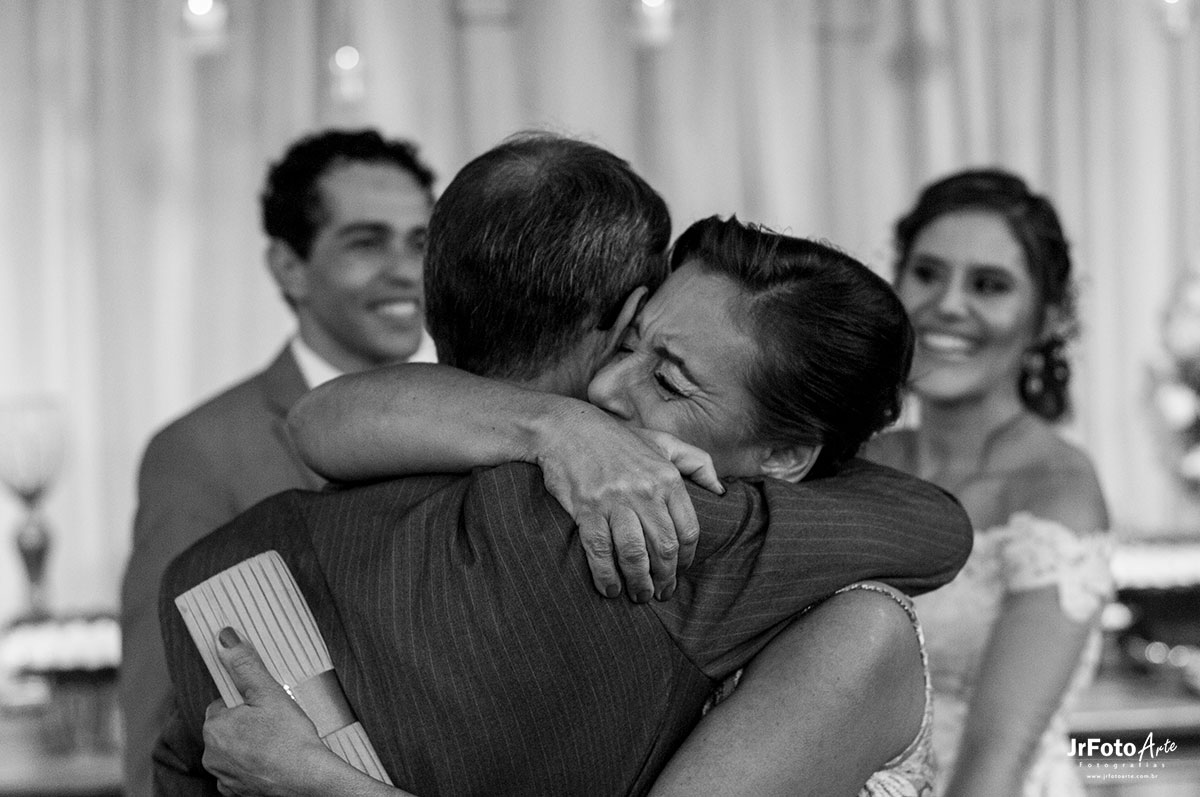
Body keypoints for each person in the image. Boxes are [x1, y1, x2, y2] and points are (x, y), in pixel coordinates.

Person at [155, 133, 971, 796]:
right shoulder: (652, 533)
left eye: (665, 375)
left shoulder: (224, 561)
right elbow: (935, 524)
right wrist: (553, 425)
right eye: (629, 346)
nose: (613, 390)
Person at [119, 128, 438, 797]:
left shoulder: (468, 424)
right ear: (289, 267)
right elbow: (157, 720)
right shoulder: (199, 451)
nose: (406, 269)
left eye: (420, 241)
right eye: (366, 241)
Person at [865, 168, 1112, 796]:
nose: (948, 304)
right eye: (927, 273)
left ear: (1049, 318)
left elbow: (997, 756)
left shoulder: (1054, 490)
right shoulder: (859, 458)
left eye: (989, 285)